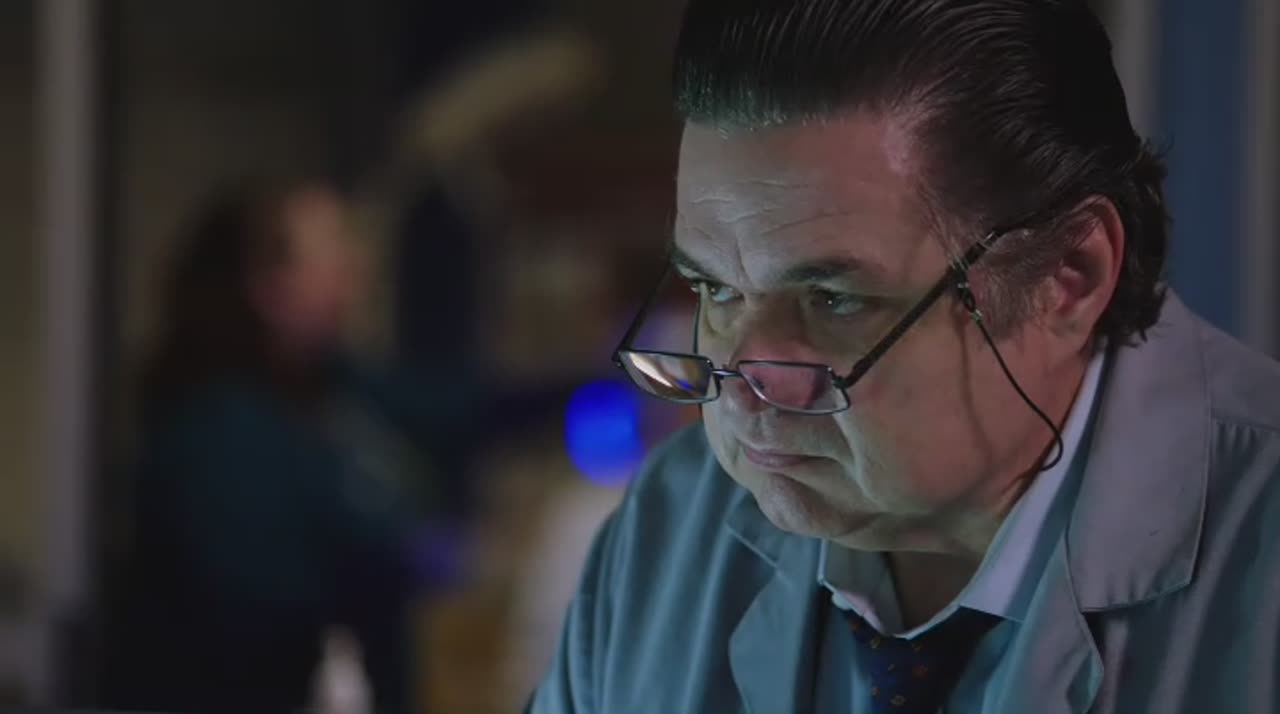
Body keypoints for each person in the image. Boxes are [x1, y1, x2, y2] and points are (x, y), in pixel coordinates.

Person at [527, 1, 1280, 713]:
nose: (739, 393)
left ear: (1067, 278)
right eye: (714, 289)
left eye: (832, 300)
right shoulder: (672, 524)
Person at [105, 179, 453, 714]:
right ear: (267, 287)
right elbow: (266, 605)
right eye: (330, 254)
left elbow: (446, 408)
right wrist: (392, 561)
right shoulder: (219, 432)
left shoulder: (326, 392)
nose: (354, 270)